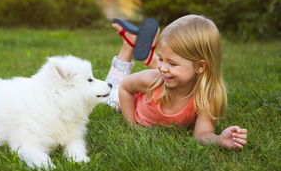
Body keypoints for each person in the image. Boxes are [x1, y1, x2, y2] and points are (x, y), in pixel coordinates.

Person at [105, 15, 248, 149]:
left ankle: (140, 49)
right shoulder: (152, 81)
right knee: (110, 90)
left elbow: (201, 135)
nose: (162, 68)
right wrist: (131, 124)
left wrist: (219, 139)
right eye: (160, 59)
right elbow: (124, 87)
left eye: (172, 63)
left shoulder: (205, 97)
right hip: (124, 100)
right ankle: (128, 45)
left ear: (200, 66)